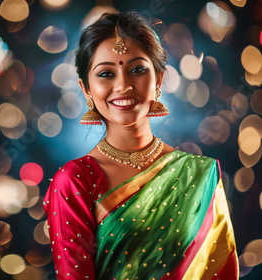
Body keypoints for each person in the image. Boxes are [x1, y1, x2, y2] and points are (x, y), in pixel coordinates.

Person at [43, 11, 238, 279]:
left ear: (158, 80)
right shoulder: (75, 181)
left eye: (137, 69)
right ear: (86, 89)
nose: (123, 85)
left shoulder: (201, 174)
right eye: (106, 74)